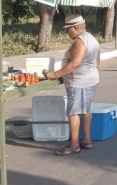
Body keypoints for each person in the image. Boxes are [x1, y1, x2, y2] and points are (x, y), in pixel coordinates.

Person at [43, 14, 100, 155]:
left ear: (75, 27)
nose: (67, 33)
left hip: (79, 83)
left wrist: (54, 75)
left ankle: (74, 145)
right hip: (90, 80)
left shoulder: (80, 41)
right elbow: (97, 61)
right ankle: (87, 141)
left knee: (74, 112)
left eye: (68, 30)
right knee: (85, 110)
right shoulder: (92, 38)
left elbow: (75, 63)